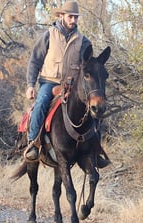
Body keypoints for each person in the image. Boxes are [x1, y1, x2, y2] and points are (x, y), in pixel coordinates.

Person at [24, 1, 110, 168]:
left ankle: (96, 149)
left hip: (72, 85)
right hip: (50, 82)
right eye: (71, 16)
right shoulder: (49, 35)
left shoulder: (83, 41)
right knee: (41, 104)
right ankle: (33, 143)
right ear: (61, 16)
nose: (73, 20)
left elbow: (89, 64)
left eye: (76, 17)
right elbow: (35, 60)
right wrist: (30, 85)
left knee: (94, 109)